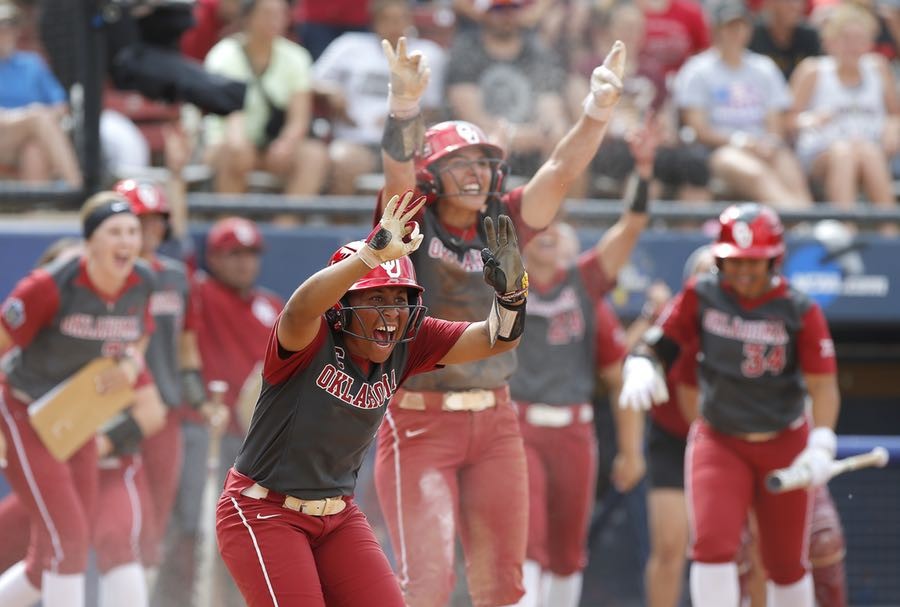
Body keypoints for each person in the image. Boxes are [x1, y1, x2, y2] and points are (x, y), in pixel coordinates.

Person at [371, 35, 628, 607]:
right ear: (433, 173)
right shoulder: (412, 221)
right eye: (460, 163)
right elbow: (395, 172)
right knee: (427, 585)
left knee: (503, 588)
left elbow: (559, 172)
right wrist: (405, 106)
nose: (478, 173)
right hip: (419, 421)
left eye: (485, 162)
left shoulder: (504, 220)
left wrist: (596, 112)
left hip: (495, 420)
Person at [215, 191, 530, 606]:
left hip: (338, 514)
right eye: (376, 298)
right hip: (263, 511)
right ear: (341, 306)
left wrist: (512, 297)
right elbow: (299, 309)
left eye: (400, 299)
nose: (391, 313)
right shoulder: (310, 335)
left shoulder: (408, 341)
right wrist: (368, 257)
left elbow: (495, 339)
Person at [619, 203, 841, 607]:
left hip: (783, 438)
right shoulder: (702, 294)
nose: (741, 272)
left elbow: (823, 385)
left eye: (752, 263)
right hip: (720, 438)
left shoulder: (800, 309)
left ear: (775, 259)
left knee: (786, 563)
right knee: (712, 547)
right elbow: (661, 341)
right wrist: (642, 363)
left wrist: (822, 440)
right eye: (732, 261)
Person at [509, 124, 658, 607]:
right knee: (526, 539)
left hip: (575, 429)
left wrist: (644, 171)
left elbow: (630, 227)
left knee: (568, 550)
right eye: (539, 226)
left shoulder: (585, 282)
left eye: (555, 226)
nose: (548, 232)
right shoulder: (502, 283)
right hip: (519, 424)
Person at [0, 192, 159, 607]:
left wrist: (129, 362)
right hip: (24, 407)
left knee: (58, 549)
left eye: (132, 231)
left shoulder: (143, 281)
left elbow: (141, 331)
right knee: (66, 540)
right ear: (90, 242)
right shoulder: (49, 285)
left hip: (76, 414)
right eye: (114, 232)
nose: (126, 240)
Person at [154, 215, 282, 607]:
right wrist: (176, 175)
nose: (244, 262)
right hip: (203, 432)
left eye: (251, 253)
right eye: (233, 254)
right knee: (191, 527)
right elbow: (175, 253)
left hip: (255, 444)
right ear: (213, 257)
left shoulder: (272, 306)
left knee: (246, 536)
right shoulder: (198, 293)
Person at [672, 0, 812, 208]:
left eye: (741, 26)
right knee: (755, 173)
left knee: (787, 165)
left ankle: (807, 219)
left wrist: (769, 143)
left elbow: (775, 121)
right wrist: (740, 141)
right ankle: (799, 223)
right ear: (716, 30)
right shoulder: (698, 70)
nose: (736, 32)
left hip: (762, 145)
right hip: (718, 150)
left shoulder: (764, 68)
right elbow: (698, 128)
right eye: (729, 26)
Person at [312, 0, 446, 195]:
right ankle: (342, 225)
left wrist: (400, 116)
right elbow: (310, 81)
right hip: (356, 140)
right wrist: (331, 92)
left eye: (401, 19)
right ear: (374, 22)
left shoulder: (429, 53)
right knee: (342, 161)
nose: (395, 26)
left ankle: (406, 225)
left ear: (411, 21)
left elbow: (435, 107)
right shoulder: (349, 45)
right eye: (388, 19)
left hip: (407, 146)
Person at [203, 0, 328, 196]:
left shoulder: (297, 56)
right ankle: (230, 223)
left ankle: (286, 226)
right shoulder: (224, 55)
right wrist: (240, 147)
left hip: (272, 145)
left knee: (313, 156)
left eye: (281, 14)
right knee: (236, 152)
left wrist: (286, 144)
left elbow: (299, 117)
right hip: (227, 143)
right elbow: (232, 119)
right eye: (267, 14)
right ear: (247, 17)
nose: (275, 20)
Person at [790, 2, 900, 211]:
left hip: (869, 147)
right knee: (844, 153)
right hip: (821, 153)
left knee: (868, 152)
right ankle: (846, 229)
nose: (853, 46)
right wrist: (809, 120)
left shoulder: (878, 67)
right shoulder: (813, 71)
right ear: (830, 42)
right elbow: (787, 120)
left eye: (860, 39)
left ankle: (889, 233)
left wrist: (893, 130)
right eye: (846, 39)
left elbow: (895, 114)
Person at [0, 0, 82, 187]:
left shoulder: (32, 63)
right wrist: (31, 116)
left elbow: (61, 107)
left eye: (9, 26)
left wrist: (36, 118)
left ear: (17, 30)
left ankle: (33, 211)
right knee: (39, 119)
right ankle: (76, 187)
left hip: (29, 135)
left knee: (34, 149)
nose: (3, 33)